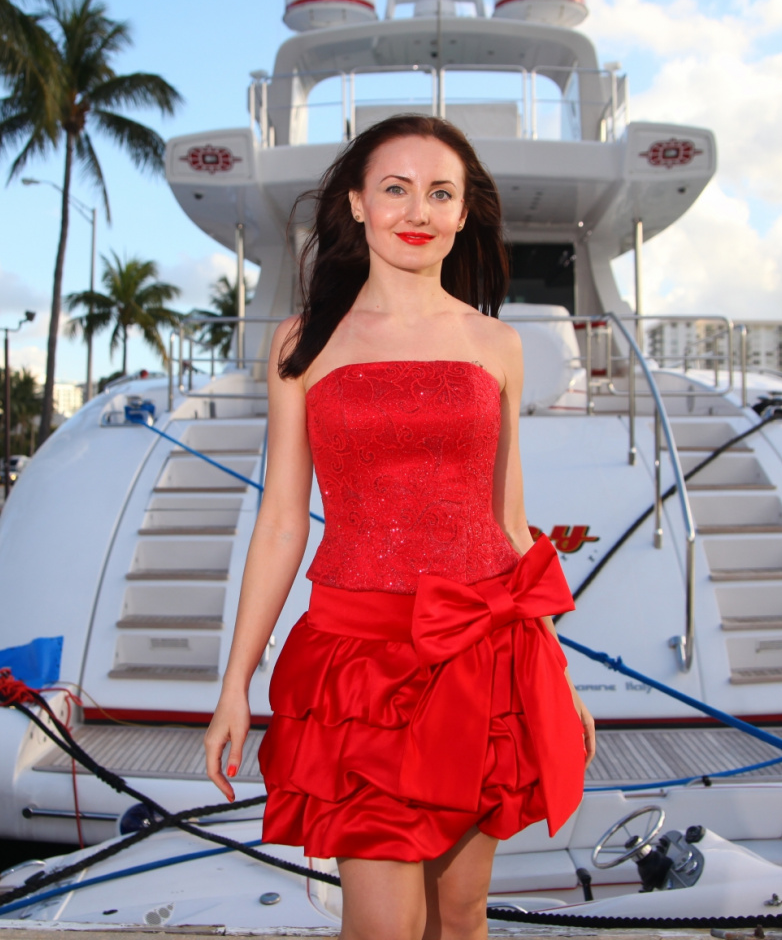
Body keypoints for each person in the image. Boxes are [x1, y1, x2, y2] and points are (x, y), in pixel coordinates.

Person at [204, 114, 596, 940]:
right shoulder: (302, 343)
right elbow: (281, 522)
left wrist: (558, 676)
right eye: (396, 188)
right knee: (383, 926)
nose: (418, 211)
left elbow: (510, 527)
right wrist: (235, 682)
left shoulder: (497, 342)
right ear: (357, 203)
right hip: (361, 667)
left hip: (485, 659)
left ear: (463, 212)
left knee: (460, 917)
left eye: (440, 193)